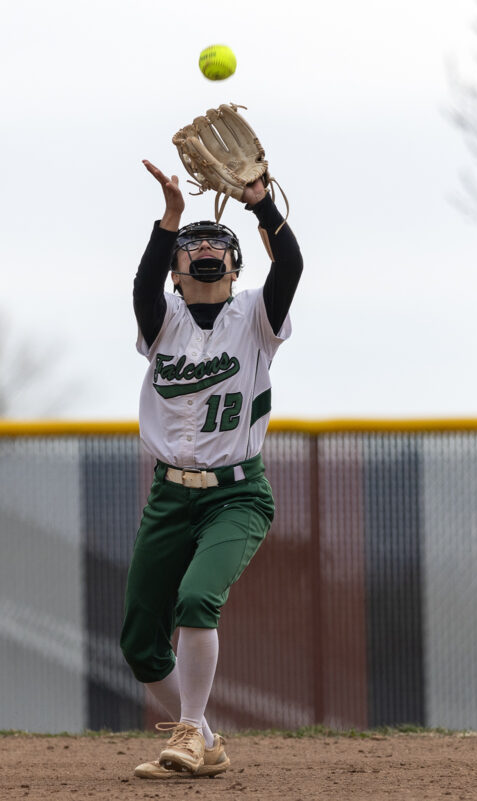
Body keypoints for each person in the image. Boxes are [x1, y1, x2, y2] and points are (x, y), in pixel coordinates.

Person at [121, 158, 303, 779]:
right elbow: (142, 286)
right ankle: (204, 741)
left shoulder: (256, 316)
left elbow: (291, 265)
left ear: (235, 265)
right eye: (191, 246)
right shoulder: (161, 321)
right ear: (175, 269)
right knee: (140, 644)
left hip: (237, 495)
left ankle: (189, 735)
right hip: (169, 495)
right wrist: (169, 219)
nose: (204, 250)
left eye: (216, 245)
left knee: (197, 599)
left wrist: (260, 203)